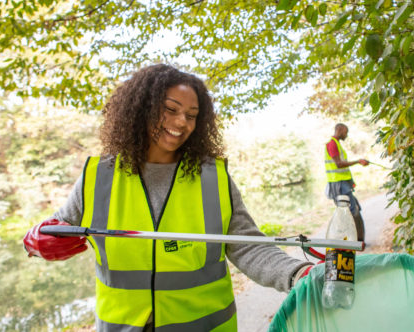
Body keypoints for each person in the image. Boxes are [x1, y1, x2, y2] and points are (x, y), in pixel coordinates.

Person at [22, 64, 313, 331]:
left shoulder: (213, 177)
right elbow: (56, 228)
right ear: (142, 108)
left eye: (191, 115)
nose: (181, 122)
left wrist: (300, 274)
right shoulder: (98, 177)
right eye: (170, 109)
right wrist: (35, 240)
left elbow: (248, 247)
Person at [324, 123, 369, 242]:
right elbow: (339, 164)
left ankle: (358, 240)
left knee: (355, 209)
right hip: (338, 184)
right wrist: (358, 161)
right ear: (339, 130)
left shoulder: (337, 144)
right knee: (351, 211)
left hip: (343, 183)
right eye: (346, 132)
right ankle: (354, 241)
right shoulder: (332, 144)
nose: (346, 135)